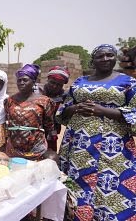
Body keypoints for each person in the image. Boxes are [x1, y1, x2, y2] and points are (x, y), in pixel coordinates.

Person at [57, 44, 136, 220]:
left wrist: (104, 111)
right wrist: (76, 108)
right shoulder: (80, 82)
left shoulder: (128, 82)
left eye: (110, 55)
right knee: (77, 187)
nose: (105, 59)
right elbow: (64, 110)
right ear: (93, 60)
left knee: (109, 189)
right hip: (79, 145)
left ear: (115, 58)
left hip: (113, 148)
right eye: (100, 56)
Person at [4, 64, 57, 161]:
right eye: (19, 80)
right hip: (13, 149)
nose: (21, 83)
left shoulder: (45, 101)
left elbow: (49, 125)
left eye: (25, 80)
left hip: (36, 149)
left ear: (33, 82)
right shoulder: (9, 101)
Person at [38, 66, 70, 152]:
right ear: (48, 79)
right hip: (35, 132)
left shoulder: (64, 96)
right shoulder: (37, 91)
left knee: (50, 158)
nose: (55, 86)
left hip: (52, 134)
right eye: (52, 82)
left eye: (59, 84)